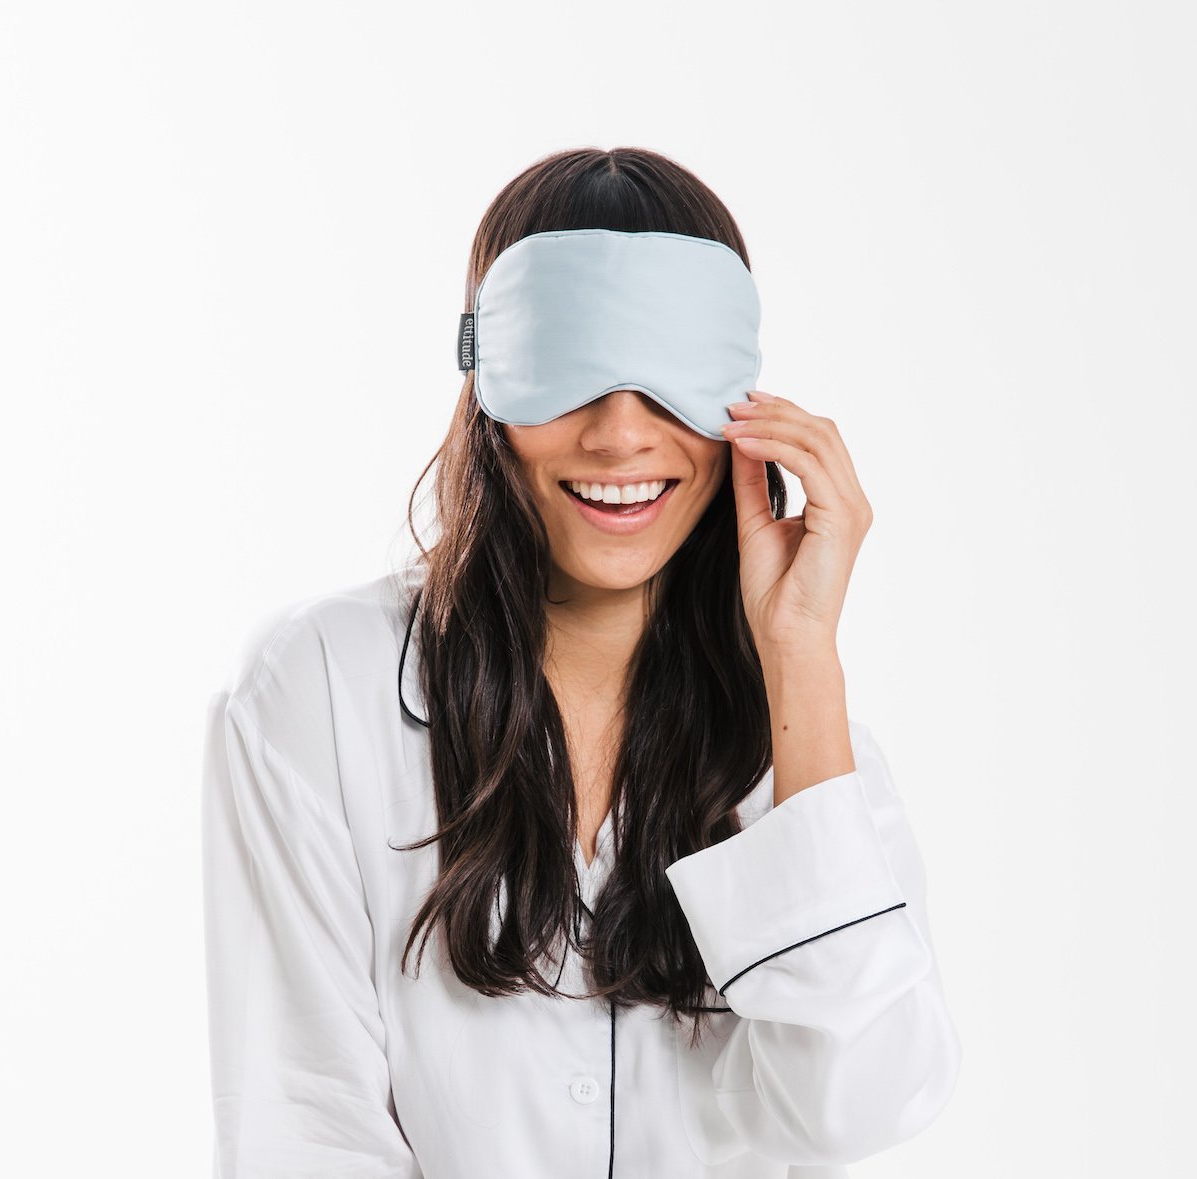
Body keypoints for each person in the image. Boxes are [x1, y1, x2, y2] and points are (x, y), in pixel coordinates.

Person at [201, 146, 962, 1179]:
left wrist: (801, 657)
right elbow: (304, 1128)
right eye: (568, 368)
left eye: (669, 374)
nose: (619, 434)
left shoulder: (816, 751)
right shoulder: (324, 690)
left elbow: (856, 1107)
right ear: (484, 377)